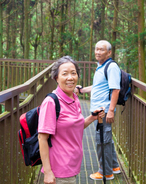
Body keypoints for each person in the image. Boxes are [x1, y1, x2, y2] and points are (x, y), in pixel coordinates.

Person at [38, 56, 105, 184]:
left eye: (73, 73)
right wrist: (48, 172)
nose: (70, 77)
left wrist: (92, 117)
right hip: (59, 170)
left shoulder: (74, 98)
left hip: (73, 164)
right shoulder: (51, 102)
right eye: (65, 74)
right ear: (56, 78)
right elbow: (42, 138)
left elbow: (76, 125)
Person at [74, 40, 121, 180]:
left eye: (101, 49)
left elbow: (116, 89)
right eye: (96, 49)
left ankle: (105, 172)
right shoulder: (101, 66)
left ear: (109, 52)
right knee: (107, 139)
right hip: (99, 111)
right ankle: (114, 166)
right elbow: (97, 87)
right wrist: (81, 90)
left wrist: (111, 110)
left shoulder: (111, 67)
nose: (98, 52)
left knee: (102, 141)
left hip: (104, 111)